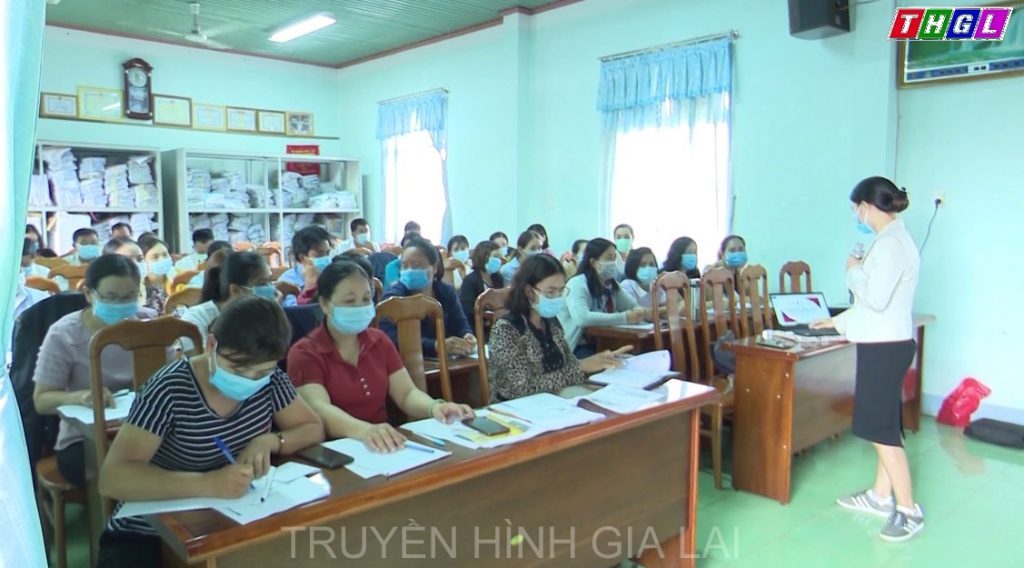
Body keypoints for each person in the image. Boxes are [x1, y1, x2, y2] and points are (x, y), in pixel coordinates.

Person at [96, 296, 325, 566]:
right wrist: (209, 483)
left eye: (261, 371)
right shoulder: (170, 388)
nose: (249, 379)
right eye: (237, 368)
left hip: (227, 524)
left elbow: (312, 428)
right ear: (211, 344)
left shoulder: (271, 380)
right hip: (151, 533)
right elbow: (113, 477)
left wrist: (270, 441)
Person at [811, 177, 922, 542]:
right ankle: (879, 496)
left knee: (880, 429)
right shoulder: (892, 240)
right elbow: (875, 306)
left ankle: (909, 510)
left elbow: (874, 298)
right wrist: (836, 321)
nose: (856, 216)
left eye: (856, 209)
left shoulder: (891, 245)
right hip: (887, 342)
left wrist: (852, 270)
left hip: (885, 348)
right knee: (885, 425)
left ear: (867, 206)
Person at [288, 261, 473, 452]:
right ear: (326, 305)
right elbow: (319, 409)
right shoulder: (305, 353)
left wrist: (434, 407)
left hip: (384, 446)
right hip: (335, 452)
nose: (360, 307)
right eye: (350, 301)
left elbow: (406, 394)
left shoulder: (379, 341)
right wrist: (366, 431)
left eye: (366, 299)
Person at [31, 254, 159, 489]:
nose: (121, 305)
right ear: (89, 294)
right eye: (111, 297)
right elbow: (42, 400)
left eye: (129, 297)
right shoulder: (65, 334)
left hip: (144, 430)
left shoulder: (150, 325)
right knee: (123, 472)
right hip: (83, 440)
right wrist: (81, 397)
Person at [488, 254, 630, 402]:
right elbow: (521, 388)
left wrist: (601, 361)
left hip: (556, 399)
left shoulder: (551, 322)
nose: (557, 297)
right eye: (550, 292)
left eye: (561, 291)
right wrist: (581, 367)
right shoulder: (506, 329)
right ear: (529, 292)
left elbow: (570, 366)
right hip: (518, 407)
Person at [381, 238, 476, 359]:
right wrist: (435, 345)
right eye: (405, 266)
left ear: (435, 267)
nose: (410, 271)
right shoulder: (392, 298)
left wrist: (467, 335)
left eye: (416, 265)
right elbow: (391, 337)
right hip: (406, 362)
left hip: (446, 361)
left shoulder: (446, 292)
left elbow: (460, 323)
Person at [559, 238, 650, 357]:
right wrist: (625, 317)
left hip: (604, 340)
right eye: (609, 258)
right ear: (593, 262)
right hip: (576, 346)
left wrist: (640, 313)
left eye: (614, 258)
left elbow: (633, 306)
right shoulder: (577, 284)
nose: (613, 263)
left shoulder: (612, 284)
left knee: (635, 356)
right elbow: (582, 318)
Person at [181, 251, 275, 350]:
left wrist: (273, 317)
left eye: (270, 281)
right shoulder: (197, 318)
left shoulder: (265, 315)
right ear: (235, 290)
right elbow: (201, 358)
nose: (271, 289)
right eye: (262, 283)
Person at [459, 241, 505, 326]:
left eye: (500, 257)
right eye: (496, 256)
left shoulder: (498, 278)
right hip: (475, 325)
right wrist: (487, 315)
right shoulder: (470, 280)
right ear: (484, 257)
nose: (499, 260)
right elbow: (467, 309)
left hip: (496, 324)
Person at [278, 226, 333, 293]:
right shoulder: (287, 282)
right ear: (302, 258)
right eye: (319, 254)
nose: (326, 258)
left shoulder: (333, 275)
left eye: (328, 253)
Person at [139, 236, 174, 313]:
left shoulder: (179, 280)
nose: (162, 260)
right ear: (144, 262)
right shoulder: (139, 289)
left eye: (165, 255)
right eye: (155, 257)